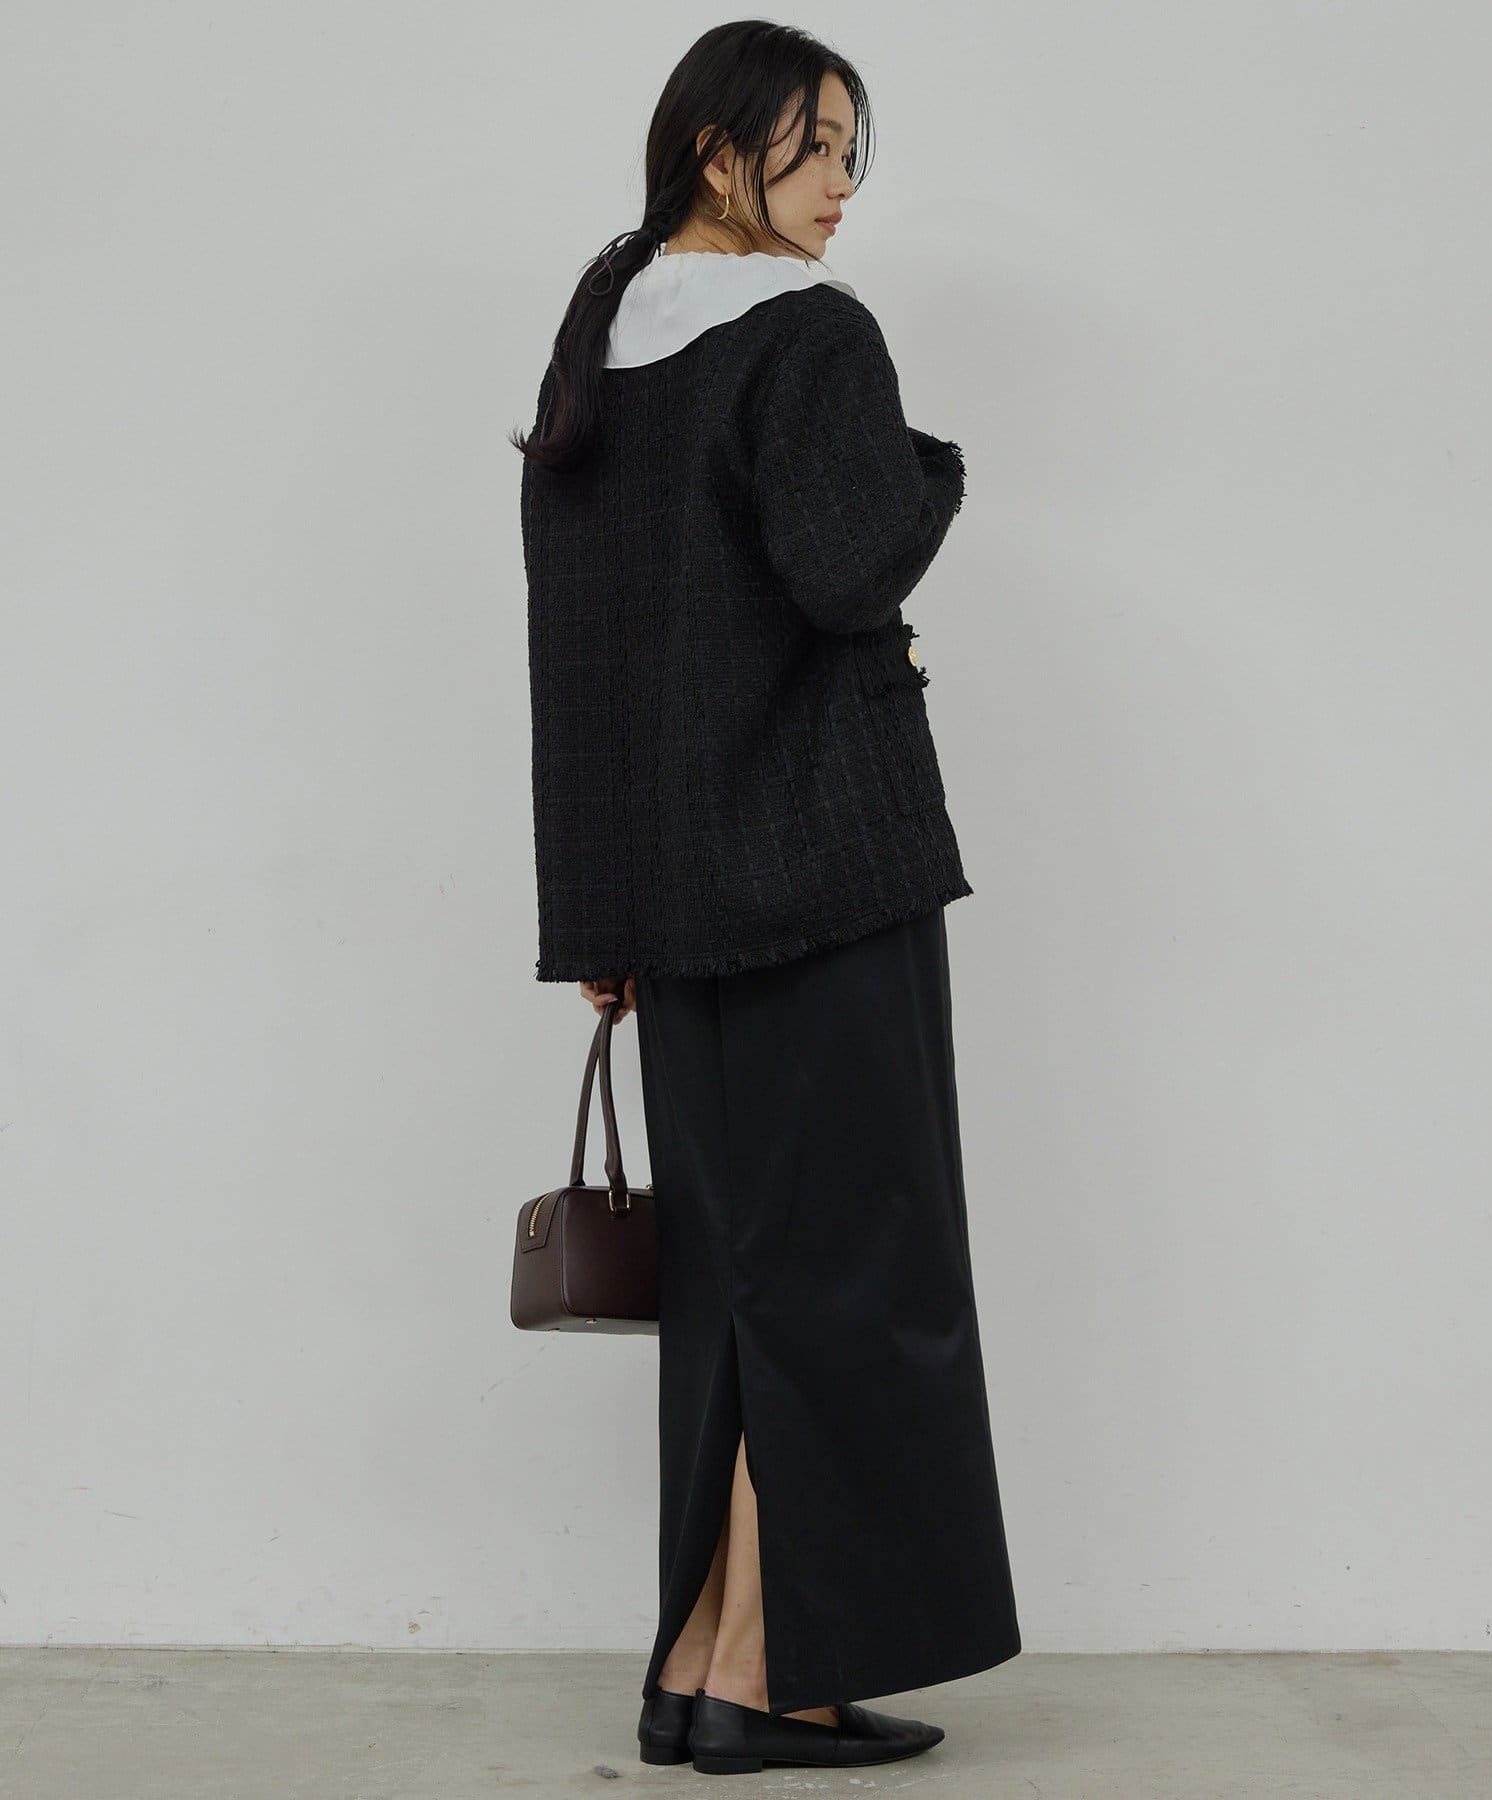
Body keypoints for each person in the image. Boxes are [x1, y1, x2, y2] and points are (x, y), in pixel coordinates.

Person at [513, 20, 1021, 1777]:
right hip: (824, 878)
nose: (842, 185)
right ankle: (762, 1676)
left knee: (750, 1284)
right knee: (852, 1277)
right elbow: (848, 566)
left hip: (680, 906)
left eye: (855, 151)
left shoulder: (605, 328)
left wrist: (599, 926)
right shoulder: (809, 334)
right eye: (815, 147)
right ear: (720, 151)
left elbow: (576, 650)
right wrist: (933, 466)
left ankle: (699, 1664)